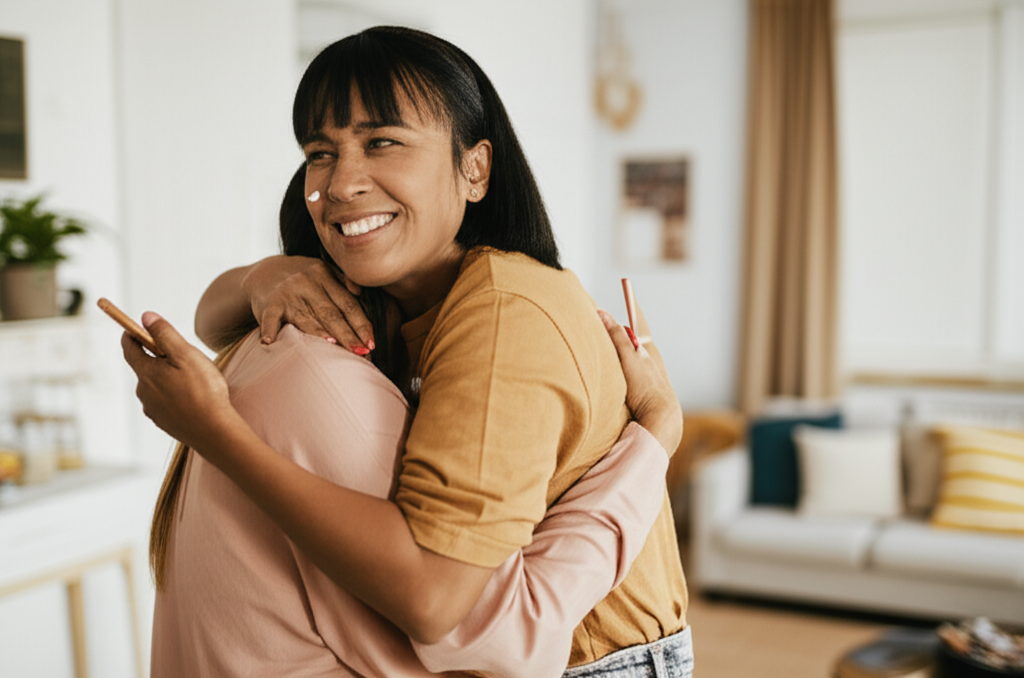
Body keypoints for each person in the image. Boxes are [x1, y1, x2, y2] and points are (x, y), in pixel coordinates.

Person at [124, 25, 690, 676]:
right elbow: (211, 319)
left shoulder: (504, 313)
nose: (339, 184)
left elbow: (436, 600)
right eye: (320, 152)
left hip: (598, 660)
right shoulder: (385, 297)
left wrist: (658, 439)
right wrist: (260, 277)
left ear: (474, 167)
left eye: (382, 141)